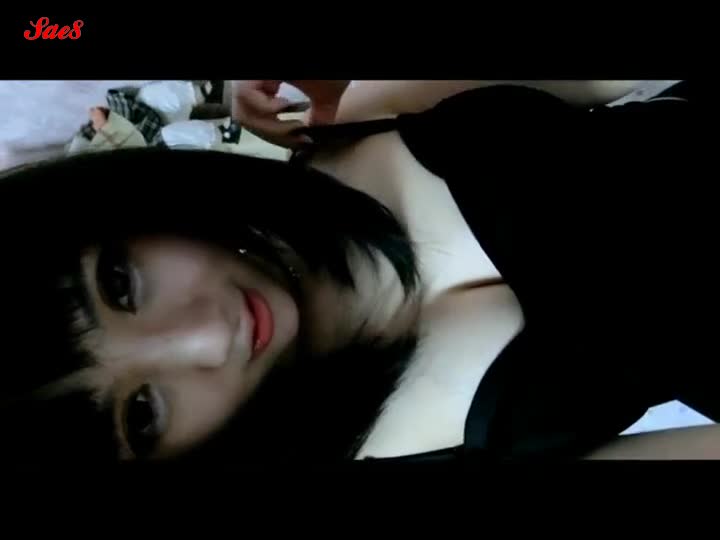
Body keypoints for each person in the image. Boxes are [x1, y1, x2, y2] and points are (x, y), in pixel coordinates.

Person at [0, 80, 709, 464]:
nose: (208, 338)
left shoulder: (360, 119)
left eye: (119, 285)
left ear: (116, 210)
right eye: (142, 414)